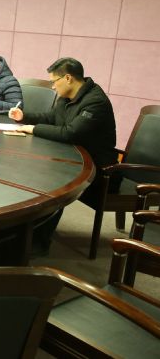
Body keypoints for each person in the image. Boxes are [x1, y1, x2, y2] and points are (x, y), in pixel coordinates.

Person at [9, 57, 117, 251]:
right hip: (71, 157)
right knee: (32, 171)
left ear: (68, 78)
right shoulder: (67, 97)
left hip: (99, 169)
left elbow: (70, 133)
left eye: (54, 81)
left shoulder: (95, 102)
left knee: (51, 182)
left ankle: (38, 242)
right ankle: (22, 232)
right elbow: (51, 118)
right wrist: (24, 116)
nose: (52, 86)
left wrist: (33, 129)